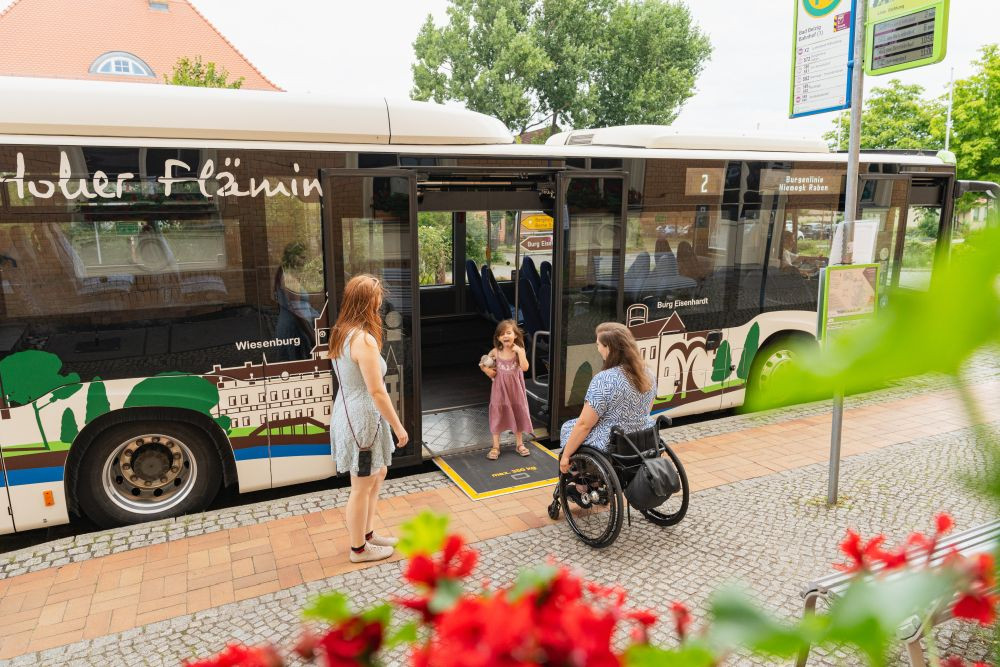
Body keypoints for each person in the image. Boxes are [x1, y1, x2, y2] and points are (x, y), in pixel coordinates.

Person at [329, 274, 408, 563]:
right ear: (366, 302)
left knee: (377, 474)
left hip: (349, 411)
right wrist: (399, 427)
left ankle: (368, 533)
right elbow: (376, 391)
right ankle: (358, 549)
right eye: (377, 297)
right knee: (361, 485)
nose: (380, 302)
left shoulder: (342, 330)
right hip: (362, 419)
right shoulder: (363, 339)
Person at [558, 322, 656, 474]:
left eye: (598, 345)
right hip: (643, 439)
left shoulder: (604, 380)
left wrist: (566, 456)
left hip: (613, 443)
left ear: (609, 348)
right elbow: (647, 409)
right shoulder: (647, 373)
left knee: (568, 427)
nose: (597, 349)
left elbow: (585, 424)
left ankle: (580, 480)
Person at [479, 319, 532, 460]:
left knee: (517, 412)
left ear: (515, 335)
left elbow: (525, 367)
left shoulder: (519, 351)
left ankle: (519, 444)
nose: (505, 336)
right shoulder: (496, 352)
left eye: (508, 333)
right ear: (498, 338)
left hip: (515, 390)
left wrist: (520, 352)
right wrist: (486, 370)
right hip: (499, 389)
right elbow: (483, 361)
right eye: (502, 334)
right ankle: (496, 446)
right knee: (497, 412)